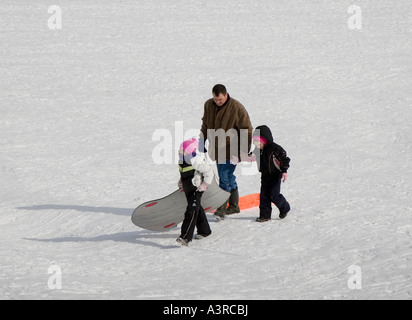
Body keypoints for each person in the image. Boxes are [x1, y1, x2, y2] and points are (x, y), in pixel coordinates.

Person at [199, 84, 253, 220]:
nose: (218, 102)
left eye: (220, 100)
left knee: (224, 177)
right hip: (217, 150)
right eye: (215, 99)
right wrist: (202, 139)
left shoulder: (237, 108)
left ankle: (221, 208)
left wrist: (243, 152)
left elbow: (246, 130)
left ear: (226, 95)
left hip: (232, 150)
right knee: (227, 177)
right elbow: (205, 123)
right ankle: (234, 205)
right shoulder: (208, 105)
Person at [249, 125, 291, 221]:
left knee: (274, 195)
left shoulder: (275, 148)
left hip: (275, 175)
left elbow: (285, 159)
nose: (256, 145)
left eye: (258, 143)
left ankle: (285, 208)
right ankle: (265, 216)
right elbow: (251, 155)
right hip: (265, 175)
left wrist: (284, 171)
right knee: (264, 196)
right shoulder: (258, 149)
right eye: (254, 143)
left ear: (264, 140)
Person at [176, 138, 213, 246]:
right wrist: (180, 181)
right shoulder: (181, 161)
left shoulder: (196, 161)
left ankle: (185, 237)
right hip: (188, 188)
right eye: (180, 149)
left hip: (197, 188)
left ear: (190, 151)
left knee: (191, 211)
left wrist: (204, 184)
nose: (180, 152)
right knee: (197, 208)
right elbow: (183, 173)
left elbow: (209, 172)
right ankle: (205, 231)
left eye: (183, 150)